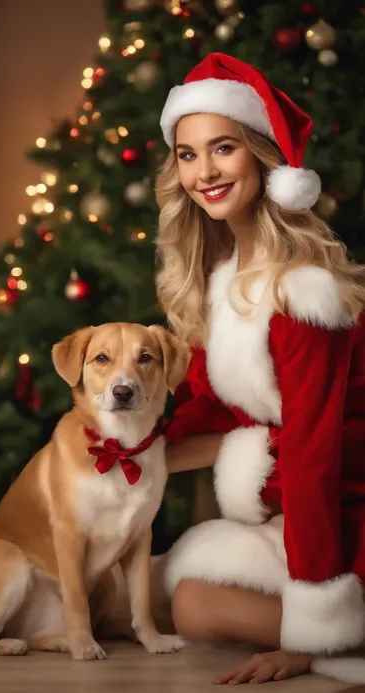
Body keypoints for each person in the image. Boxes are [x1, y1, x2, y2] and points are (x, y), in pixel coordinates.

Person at [155, 52, 365, 685]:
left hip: (342, 511)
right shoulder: (226, 280)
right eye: (188, 155)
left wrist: (309, 631)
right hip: (287, 508)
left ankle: (340, 628)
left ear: (262, 157)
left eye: (223, 149)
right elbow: (217, 406)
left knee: (192, 603)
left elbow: (313, 451)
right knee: (162, 588)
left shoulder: (304, 293)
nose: (204, 172)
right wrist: (134, 449)